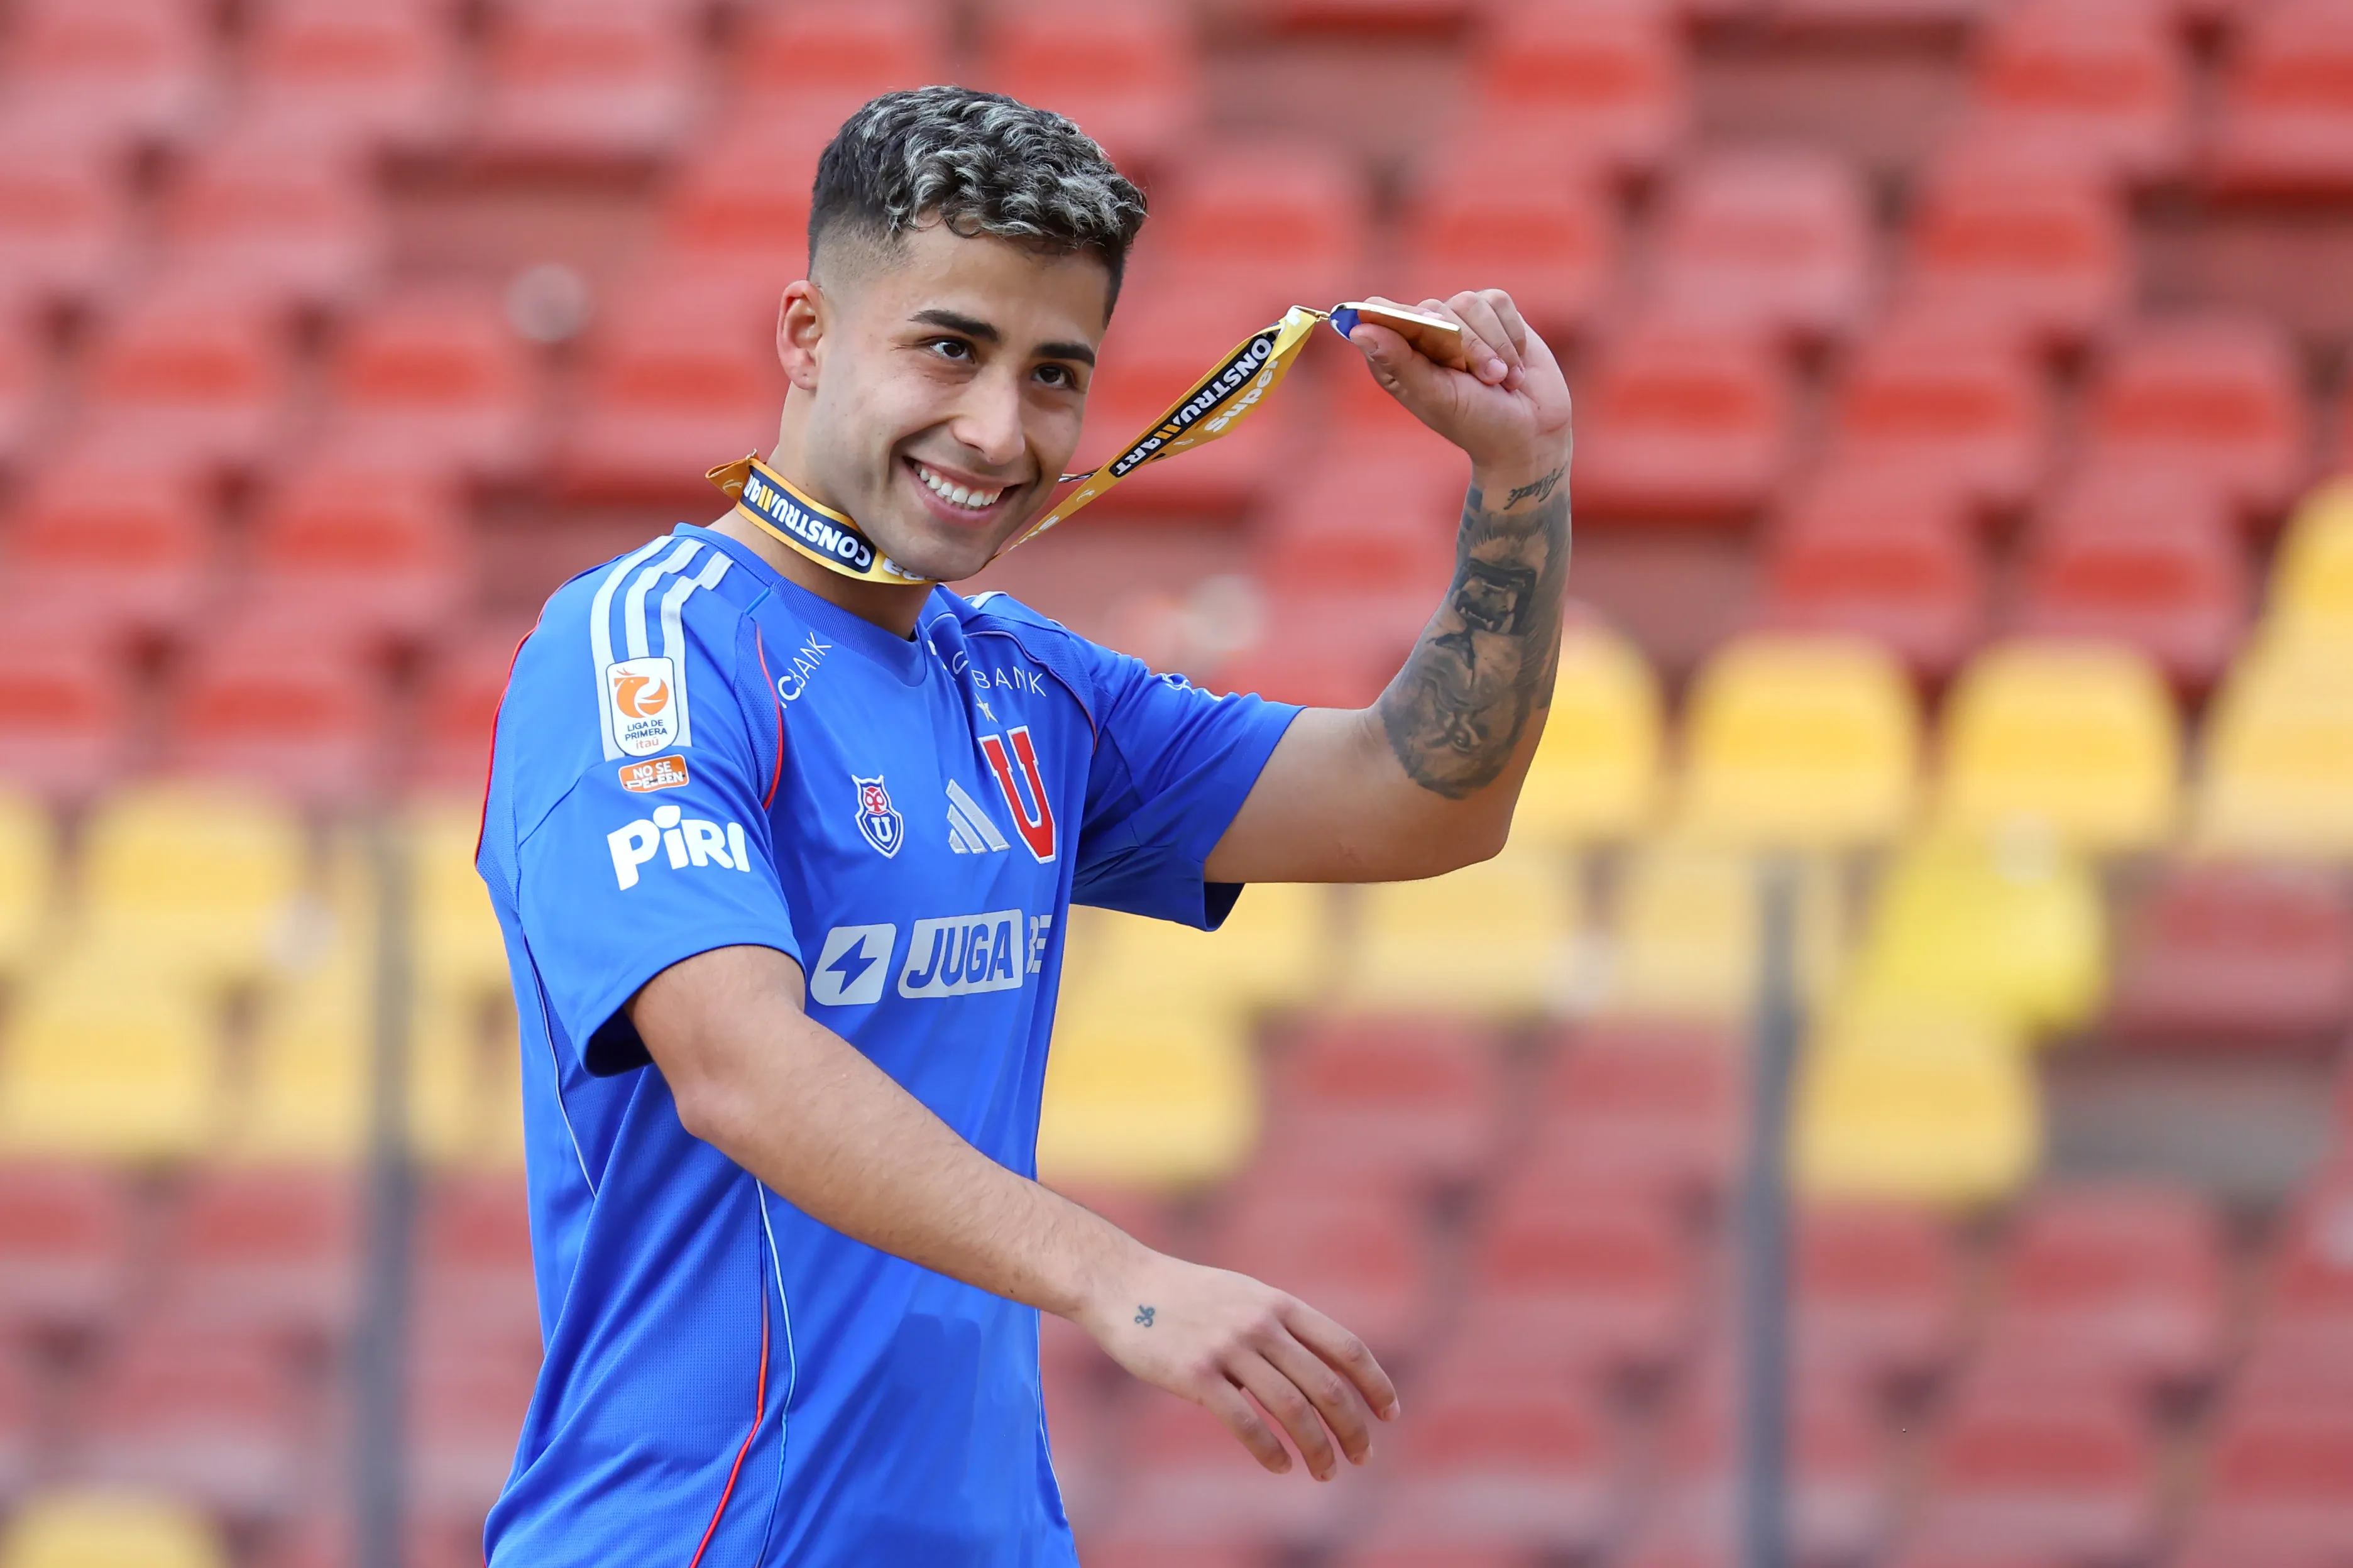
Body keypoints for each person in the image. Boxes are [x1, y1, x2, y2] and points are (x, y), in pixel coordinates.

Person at [474, 85, 1574, 1565]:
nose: (998, 429)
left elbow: (1427, 799)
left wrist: (1523, 484)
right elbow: (738, 1061)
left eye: (1054, 373)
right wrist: (1116, 1276)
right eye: (949, 347)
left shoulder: (1027, 687)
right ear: (807, 335)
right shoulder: (640, 651)